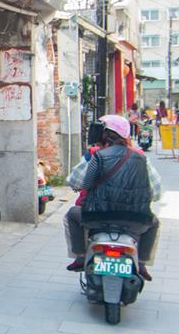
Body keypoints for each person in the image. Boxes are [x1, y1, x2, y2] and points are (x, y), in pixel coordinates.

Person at [63, 114, 160, 281]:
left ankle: (80, 256)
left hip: (97, 217)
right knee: (154, 222)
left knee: (72, 214)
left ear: (104, 134)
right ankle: (142, 262)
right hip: (135, 220)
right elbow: (156, 192)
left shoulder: (95, 155)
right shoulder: (141, 158)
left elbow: (79, 183)